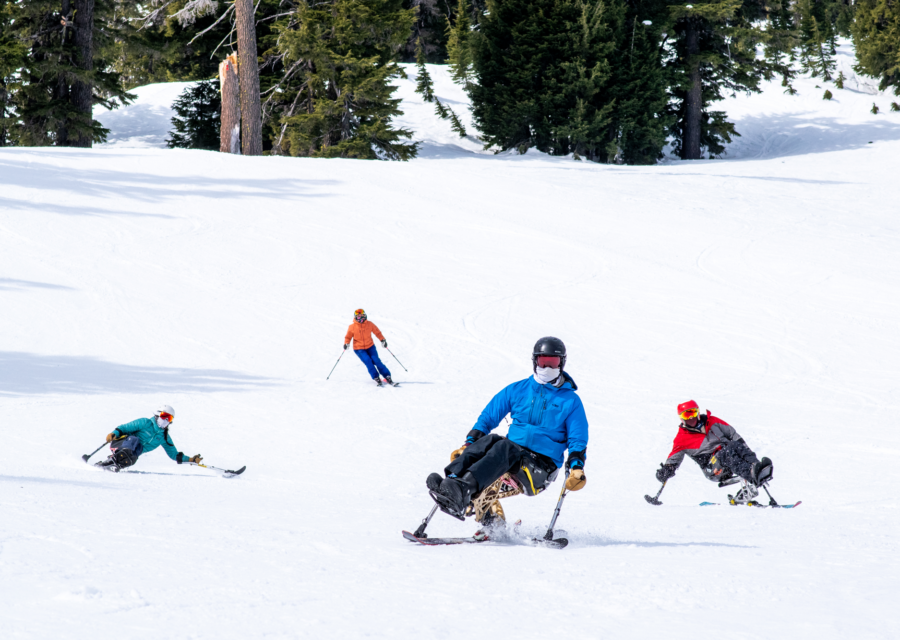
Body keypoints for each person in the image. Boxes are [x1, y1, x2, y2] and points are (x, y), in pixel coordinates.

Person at [427, 337, 589, 519]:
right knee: (491, 440)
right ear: (535, 361)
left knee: (505, 446)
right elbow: (489, 416)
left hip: (541, 468)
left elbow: (578, 437)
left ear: (562, 364)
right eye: (543, 362)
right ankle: (452, 483)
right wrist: (469, 444)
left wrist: (576, 467)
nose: (547, 368)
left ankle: (462, 490)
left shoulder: (570, 401)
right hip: (513, 456)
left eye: (553, 362)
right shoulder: (518, 389)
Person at [655, 400, 773, 503]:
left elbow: (734, 435)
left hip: (729, 456)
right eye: (687, 415)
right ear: (681, 418)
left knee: (735, 444)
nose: (691, 417)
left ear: (698, 412)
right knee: (727, 450)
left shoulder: (713, 421)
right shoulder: (682, 439)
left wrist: (750, 458)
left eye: (693, 413)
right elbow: (673, 459)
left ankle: (756, 468)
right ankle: (751, 474)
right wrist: (667, 470)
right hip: (712, 468)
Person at [95, 405, 202, 472]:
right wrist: (113, 433)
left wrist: (191, 459)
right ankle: (110, 461)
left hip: (131, 453)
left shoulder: (164, 437)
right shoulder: (145, 422)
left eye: (169, 418)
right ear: (158, 414)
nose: (165, 420)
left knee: (137, 452)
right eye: (164, 416)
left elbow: (174, 454)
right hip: (120, 443)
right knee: (135, 441)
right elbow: (124, 428)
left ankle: (115, 465)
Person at [344, 308, 393, 386]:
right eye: (359, 316)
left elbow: (377, 332)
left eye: (362, 316)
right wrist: (346, 343)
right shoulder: (352, 327)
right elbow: (348, 337)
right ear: (355, 317)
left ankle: (387, 375)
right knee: (368, 361)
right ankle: (376, 376)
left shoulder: (369, 324)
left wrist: (382, 340)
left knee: (376, 360)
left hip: (370, 346)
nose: (361, 318)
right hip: (359, 348)